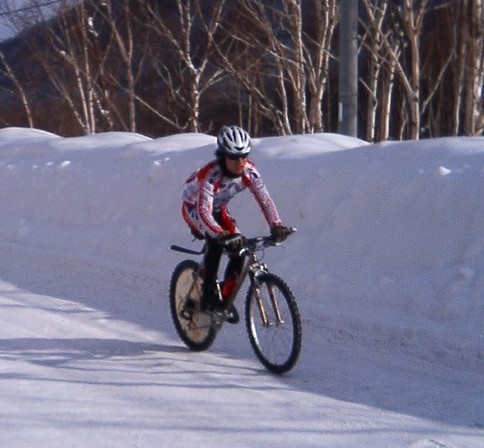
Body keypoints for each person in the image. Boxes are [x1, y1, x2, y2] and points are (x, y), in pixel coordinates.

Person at [181, 125, 291, 323]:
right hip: (193, 208)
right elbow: (203, 212)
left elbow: (264, 199)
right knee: (217, 242)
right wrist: (219, 234)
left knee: (240, 247)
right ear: (222, 156)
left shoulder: (249, 171)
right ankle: (207, 298)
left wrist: (276, 225)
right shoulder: (210, 176)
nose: (240, 162)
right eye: (234, 158)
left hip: (218, 208)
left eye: (244, 156)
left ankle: (223, 299)